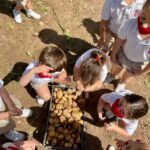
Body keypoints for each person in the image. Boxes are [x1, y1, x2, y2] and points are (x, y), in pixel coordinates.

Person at [105, 0, 150, 91]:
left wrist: (141, 72)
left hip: (138, 62)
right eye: (143, 18)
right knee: (116, 66)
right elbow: (119, 40)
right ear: (141, 11)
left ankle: (121, 84)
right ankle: (112, 75)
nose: (144, 26)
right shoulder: (131, 24)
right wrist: (113, 53)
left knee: (127, 77)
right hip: (123, 53)